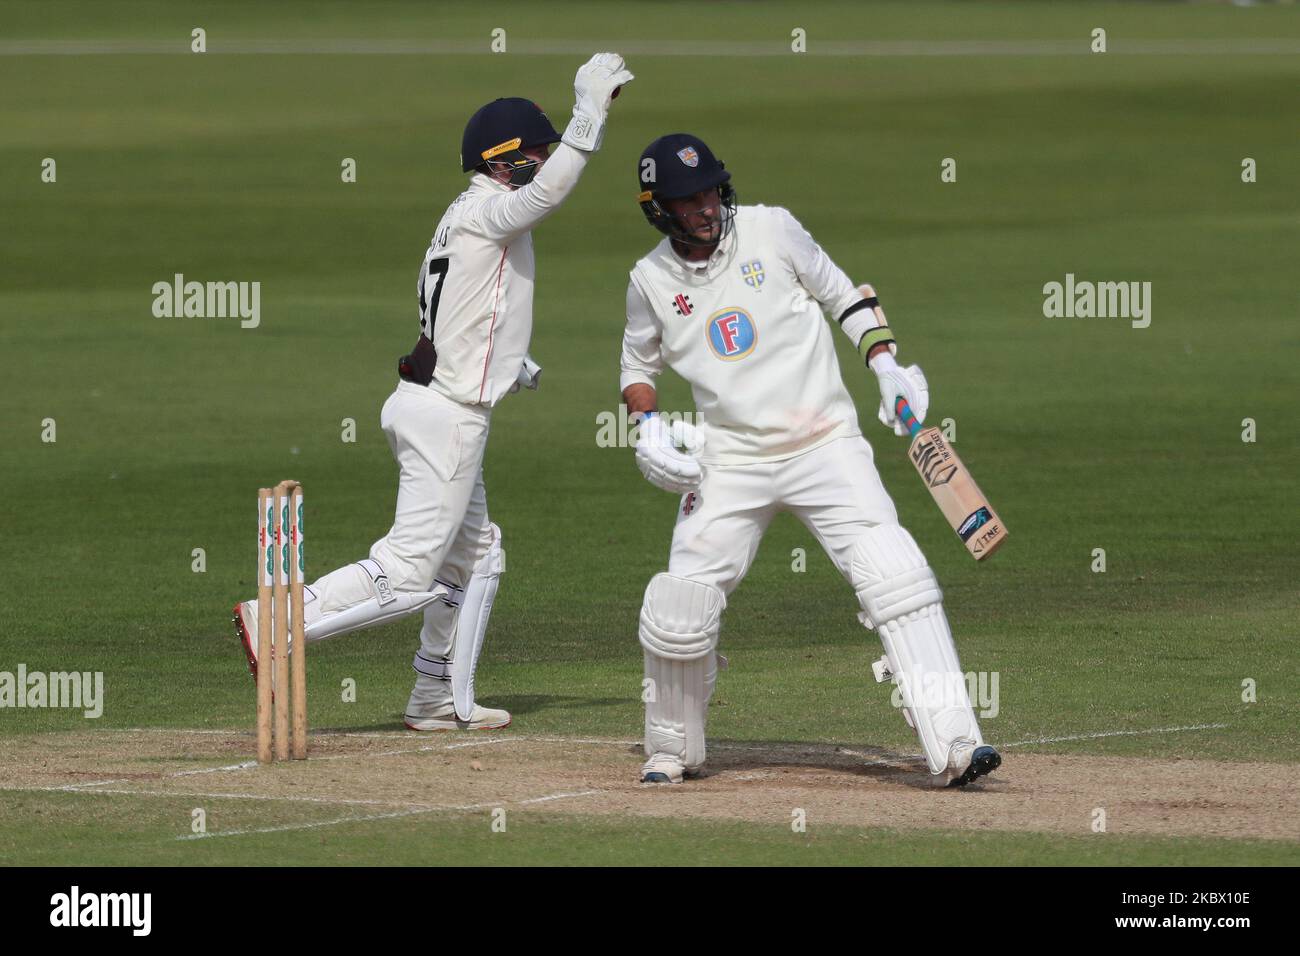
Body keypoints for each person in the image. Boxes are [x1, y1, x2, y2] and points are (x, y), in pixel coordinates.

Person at [234, 53, 634, 730]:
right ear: (505, 160)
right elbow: (548, 194)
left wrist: (509, 359)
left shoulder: (468, 214)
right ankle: (277, 618)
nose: (544, 160)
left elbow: (462, 305)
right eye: (535, 151)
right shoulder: (493, 210)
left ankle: (436, 695)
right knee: (411, 570)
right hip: (446, 417)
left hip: (436, 402)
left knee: (478, 556)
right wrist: (587, 114)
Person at [619, 132, 1000, 785]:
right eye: (689, 200)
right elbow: (637, 363)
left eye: (711, 191)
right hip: (731, 458)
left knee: (894, 573)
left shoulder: (772, 229)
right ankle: (671, 748)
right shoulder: (649, 279)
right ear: (660, 209)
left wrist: (886, 365)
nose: (706, 207)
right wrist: (646, 423)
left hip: (826, 442)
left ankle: (958, 742)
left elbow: (844, 295)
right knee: (680, 603)